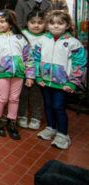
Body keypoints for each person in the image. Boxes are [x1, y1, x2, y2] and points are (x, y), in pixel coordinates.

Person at [35, 11, 86, 149]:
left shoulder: (73, 43)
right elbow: (35, 59)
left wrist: (73, 82)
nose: (56, 26)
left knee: (58, 107)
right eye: (52, 23)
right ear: (47, 25)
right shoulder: (42, 41)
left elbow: (79, 64)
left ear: (67, 25)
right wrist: (37, 76)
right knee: (48, 105)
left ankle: (63, 135)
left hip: (63, 84)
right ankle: (51, 128)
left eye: (60, 23)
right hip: (45, 81)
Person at [0, 10, 35, 140]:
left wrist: (30, 76)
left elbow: (28, 57)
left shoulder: (20, 38)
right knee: (2, 98)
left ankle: (12, 122)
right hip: (1, 73)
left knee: (14, 98)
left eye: (3, 21)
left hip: (18, 73)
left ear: (11, 23)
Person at [17, 8, 47, 130]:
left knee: (37, 96)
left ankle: (36, 118)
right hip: (24, 71)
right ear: (27, 22)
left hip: (40, 73)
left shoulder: (47, 37)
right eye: (32, 22)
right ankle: (22, 116)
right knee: (22, 95)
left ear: (46, 23)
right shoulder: (22, 34)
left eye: (40, 22)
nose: (36, 25)